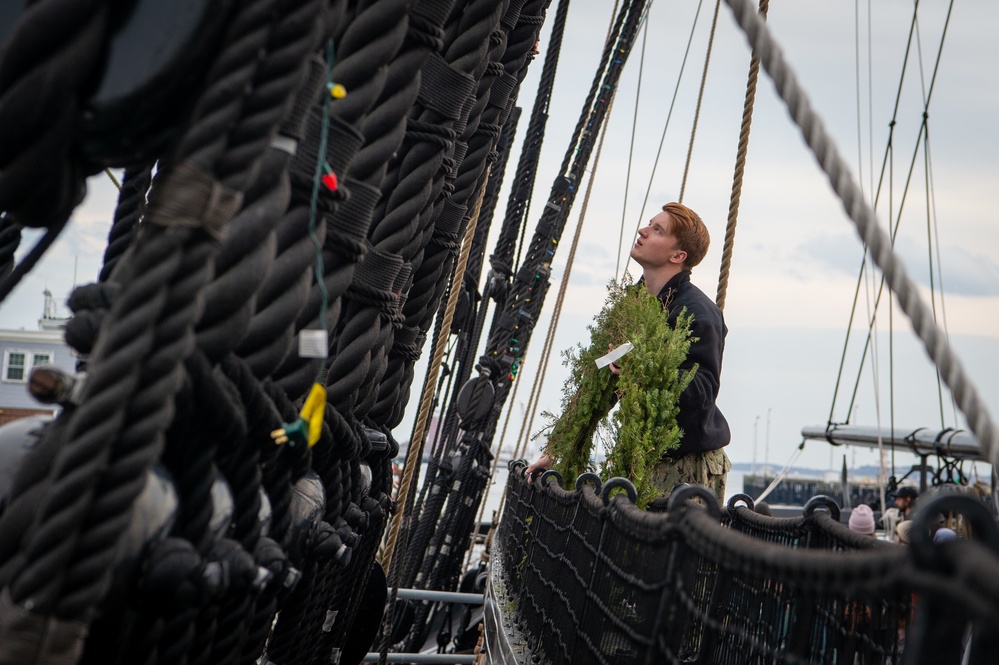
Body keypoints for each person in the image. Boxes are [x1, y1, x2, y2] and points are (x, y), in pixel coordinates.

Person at [527, 202, 732, 500]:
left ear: (678, 256)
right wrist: (557, 449)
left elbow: (701, 391)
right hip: (643, 457)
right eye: (650, 224)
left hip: (687, 467)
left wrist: (642, 370)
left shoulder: (698, 314)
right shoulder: (634, 304)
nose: (643, 231)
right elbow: (598, 384)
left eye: (657, 230)